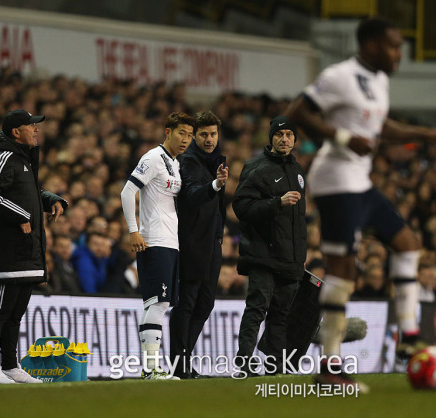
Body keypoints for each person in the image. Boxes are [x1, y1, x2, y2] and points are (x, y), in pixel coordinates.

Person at [286, 17, 436, 387]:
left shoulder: (380, 81)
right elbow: (295, 113)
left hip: (360, 182)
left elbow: (381, 128)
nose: (399, 54)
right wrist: (340, 137)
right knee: (343, 273)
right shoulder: (340, 76)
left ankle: (409, 338)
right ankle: (330, 368)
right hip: (335, 182)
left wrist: (429, 134)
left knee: (407, 244)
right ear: (369, 45)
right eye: (393, 46)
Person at [0, 109, 67, 384]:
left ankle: (9, 364)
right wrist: (22, 215)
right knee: (0, 310)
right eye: (31, 126)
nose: (36, 130)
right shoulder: (5, 157)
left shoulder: (23, 159)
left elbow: (25, 193)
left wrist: (49, 198)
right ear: (16, 132)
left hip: (27, 250)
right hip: (9, 248)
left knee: (15, 312)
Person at [120, 112, 195, 380]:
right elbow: (127, 191)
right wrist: (134, 230)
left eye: (189, 135)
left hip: (170, 241)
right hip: (153, 239)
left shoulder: (175, 163)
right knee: (157, 303)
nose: (185, 139)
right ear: (167, 132)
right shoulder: (153, 158)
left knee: (160, 304)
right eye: (181, 133)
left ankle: (151, 369)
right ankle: (151, 369)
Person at [233, 116, 307, 376]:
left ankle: (275, 369)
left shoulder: (297, 171)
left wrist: (300, 259)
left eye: (289, 134)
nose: (284, 139)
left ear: (295, 140)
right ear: (271, 138)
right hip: (263, 255)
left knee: (280, 316)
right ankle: (243, 364)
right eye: (279, 134)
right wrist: (277, 202)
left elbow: (297, 222)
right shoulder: (257, 168)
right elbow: (241, 207)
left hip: (289, 259)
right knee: (257, 310)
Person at [168, 111, 228, 379]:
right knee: (187, 303)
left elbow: (218, 206)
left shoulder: (215, 161)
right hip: (191, 241)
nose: (209, 139)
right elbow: (191, 194)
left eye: (213, 134)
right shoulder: (190, 161)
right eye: (203, 134)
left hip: (211, 241)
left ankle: (184, 361)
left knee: (205, 304)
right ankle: (178, 364)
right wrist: (214, 184)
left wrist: (219, 234)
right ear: (195, 136)